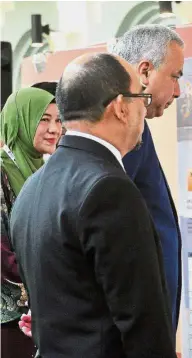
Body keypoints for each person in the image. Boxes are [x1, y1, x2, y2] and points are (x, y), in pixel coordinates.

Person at [10, 53, 176, 358]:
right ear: (120, 108)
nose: (145, 107)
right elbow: (143, 323)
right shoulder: (108, 189)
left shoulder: (33, 187)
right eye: (142, 95)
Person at [110, 24, 184, 332]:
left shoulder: (136, 126)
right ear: (145, 71)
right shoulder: (123, 129)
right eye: (175, 76)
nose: (178, 90)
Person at [1, 87, 62, 358]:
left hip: (47, 308)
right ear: (21, 120)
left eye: (59, 120)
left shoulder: (49, 171)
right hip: (9, 317)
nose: (53, 129)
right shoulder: (2, 171)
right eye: (43, 119)